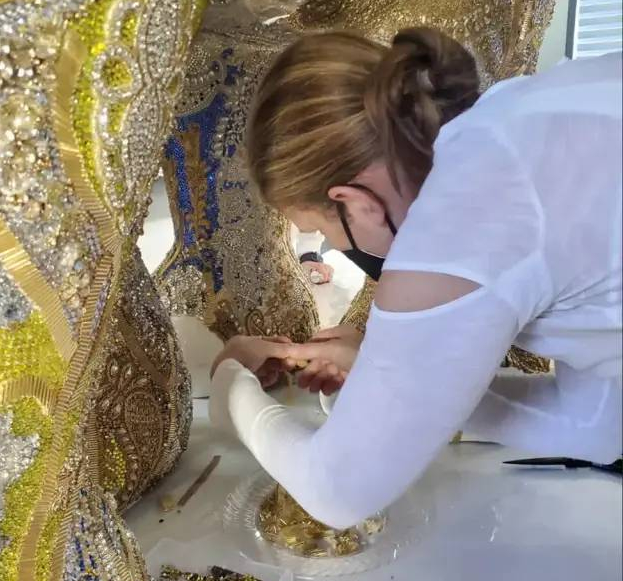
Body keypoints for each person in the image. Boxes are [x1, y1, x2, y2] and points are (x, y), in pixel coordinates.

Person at [208, 27, 622, 529]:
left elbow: (335, 490)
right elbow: (597, 424)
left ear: (353, 201)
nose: (335, 246)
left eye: (323, 230)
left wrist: (230, 386)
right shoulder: (509, 117)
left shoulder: (458, 222)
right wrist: (393, 375)